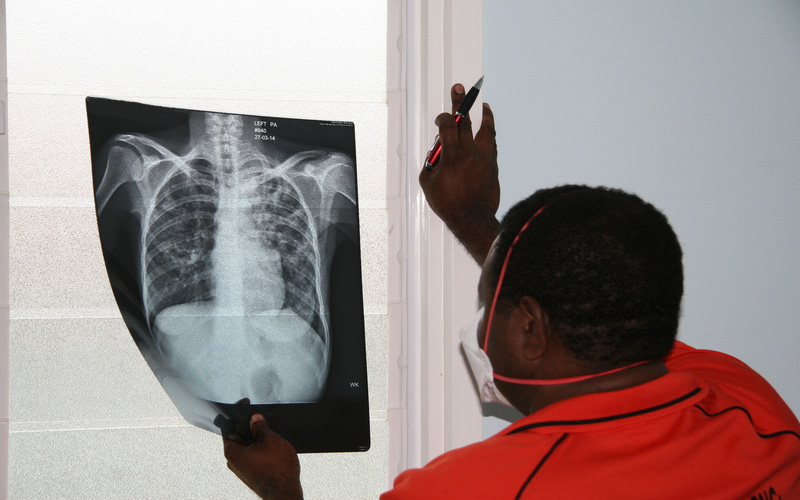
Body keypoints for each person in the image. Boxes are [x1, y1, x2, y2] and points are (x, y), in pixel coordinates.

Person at [223, 84, 800, 499]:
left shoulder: (469, 491)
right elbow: (598, 300)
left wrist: (282, 491)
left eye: (488, 306)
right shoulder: (747, 401)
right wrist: (471, 216)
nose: (481, 324)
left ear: (529, 329)